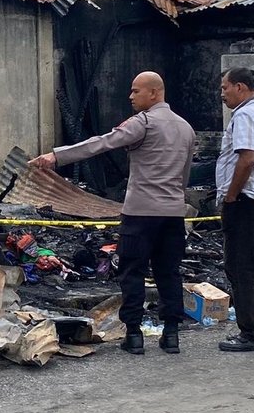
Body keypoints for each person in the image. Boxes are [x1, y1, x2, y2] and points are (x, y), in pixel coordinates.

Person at [29, 71, 195, 356]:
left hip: (141, 213)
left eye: (135, 91)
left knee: (132, 271)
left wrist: (57, 156)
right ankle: (171, 335)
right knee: (169, 273)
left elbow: (102, 142)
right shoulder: (186, 128)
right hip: (173, 213)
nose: (130, 97)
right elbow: (185, 175)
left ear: (154, 93)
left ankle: (133, 335)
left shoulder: (143, 123)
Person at [215, 67, 254, 353]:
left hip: (245, 202)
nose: (222, 93)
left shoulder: (244, 115)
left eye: (225, 87)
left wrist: (230, 196)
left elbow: (247, 159)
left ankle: (252, 333)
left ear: (240, 87)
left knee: (241, 268)